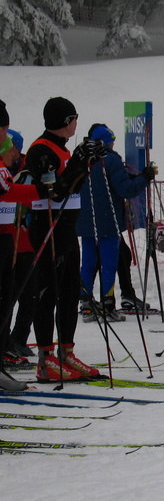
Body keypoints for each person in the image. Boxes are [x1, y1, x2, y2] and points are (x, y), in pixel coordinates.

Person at [25, 97, 105, 381]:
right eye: (74, 118)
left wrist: (88, 161)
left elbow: (73, 185)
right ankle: (45, 358)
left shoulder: (62, 149)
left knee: (70, 291)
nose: (76, 123)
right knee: (49, 292)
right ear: (65, 121)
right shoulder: (41, 150)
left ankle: (66, 352)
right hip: (48, 227)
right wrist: (79, 162)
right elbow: (55, 192)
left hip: (67, 228)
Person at [76, 124, 152, 323]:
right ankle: (107, 304)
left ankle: (86, 302)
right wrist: (145, 178)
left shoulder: (83, 158)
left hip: (86, 219)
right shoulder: (110, 159)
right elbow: (125, 189)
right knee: (109, 263)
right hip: (108, 220)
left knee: (88, 262)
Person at [0, 105, 39, 392]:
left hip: (18, 240)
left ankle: (13, 342)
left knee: (19, 295)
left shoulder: (20, 169)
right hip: (13, 241)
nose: (14, 153)